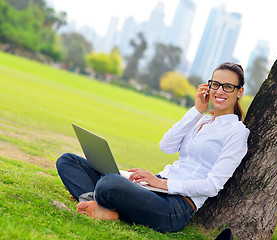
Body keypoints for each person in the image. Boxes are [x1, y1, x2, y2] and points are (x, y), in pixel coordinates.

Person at [56, 62, 250, 233]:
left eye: (228, 87)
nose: (219, 91)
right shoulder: (201, 120)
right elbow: (166, 146)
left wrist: (161, 184)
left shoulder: (237, 132)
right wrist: (197, 110)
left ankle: (101, 204)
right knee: (68, 161)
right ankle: (103, 205)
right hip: (154, 188)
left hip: (176, 205)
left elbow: (212, 186)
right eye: (215, 84)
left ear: (239, 92)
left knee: (110, 183)